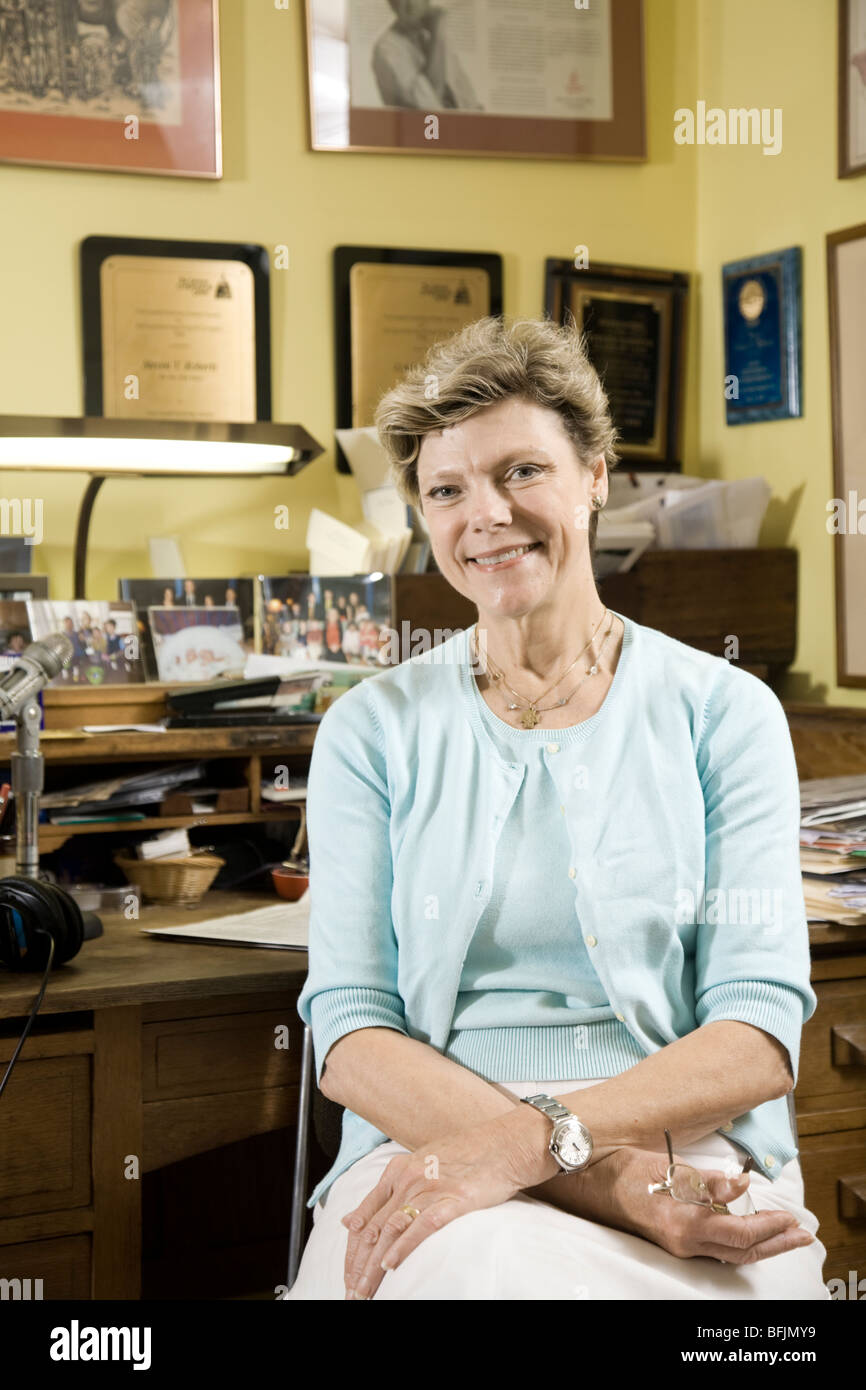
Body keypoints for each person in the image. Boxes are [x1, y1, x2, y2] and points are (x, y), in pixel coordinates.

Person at [288, 316, 827, 1302]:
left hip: (691, 1148)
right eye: (445, 490)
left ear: (594, 476)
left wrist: (533, 1143)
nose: (482, 514)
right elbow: (353, 1030)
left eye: (519, 472)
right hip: (428, 1147)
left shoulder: (724, 713)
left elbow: (755, 1029)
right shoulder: (371, 730)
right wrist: (596, 1175)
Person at [372, 0, 483, 111]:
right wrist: (437, 34)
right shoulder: (386, 49)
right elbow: (430, 104)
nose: (411, 4)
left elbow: (466, 96)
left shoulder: (428, 36)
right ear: (392, 4)